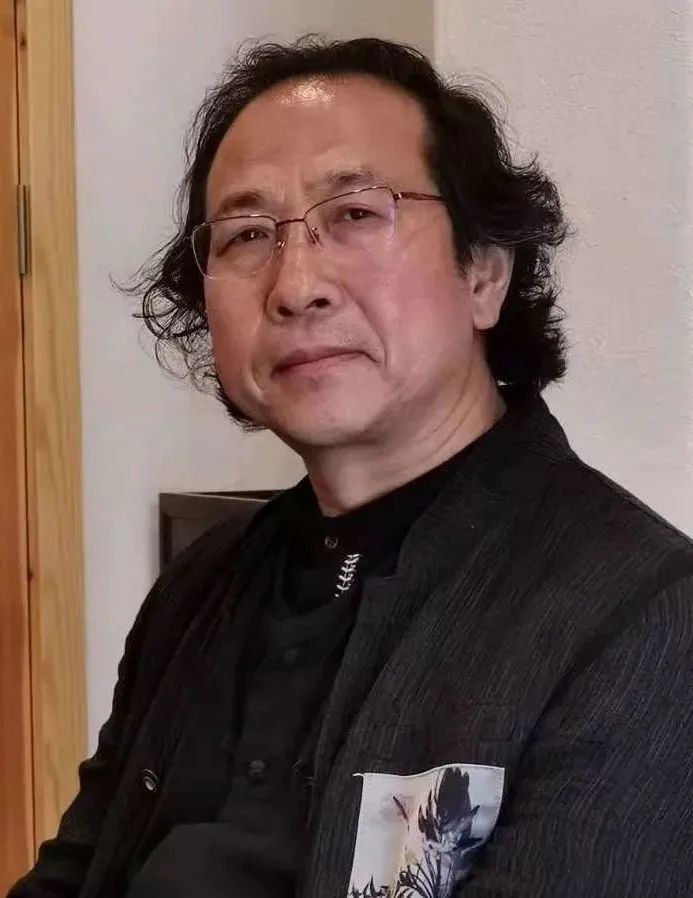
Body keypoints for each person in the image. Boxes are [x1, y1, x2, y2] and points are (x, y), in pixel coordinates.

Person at [9, 35, 693, 898]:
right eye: (247, 235)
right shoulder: (198, 586)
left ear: (483, 273)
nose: (295, 285)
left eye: (357, 214)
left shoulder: (641, 616)